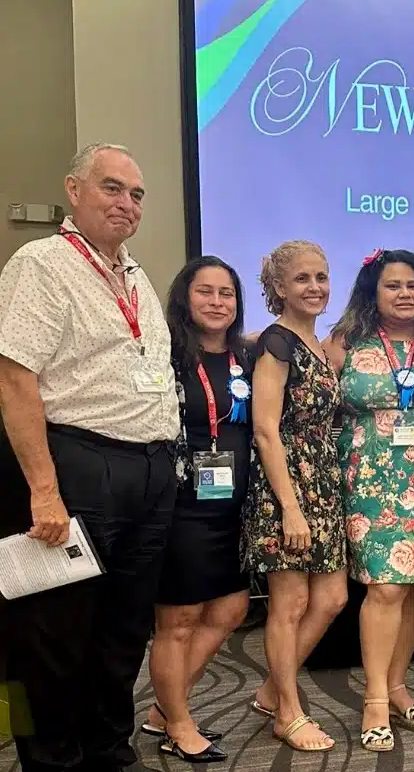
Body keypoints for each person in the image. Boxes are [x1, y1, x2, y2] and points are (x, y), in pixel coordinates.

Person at [0, 143, 179, 772]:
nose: (126, 204)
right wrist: (44, 491)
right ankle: (48, 761)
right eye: (112, 188)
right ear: (74, 190)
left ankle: (108, 749)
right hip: (78, 466)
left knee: (123, 632)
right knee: (50, 636)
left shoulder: (135, 274)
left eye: (136, 194)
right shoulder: (42, 263)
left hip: (150, 471)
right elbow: (15, 379)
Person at [325, 248, 414, 752]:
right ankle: (375, 699)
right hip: (370, 478)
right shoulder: (345, 342)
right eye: (393, 286)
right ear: (372, 293)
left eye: (413, 286)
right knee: (384, 588)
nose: (405, 294)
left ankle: (399, 684)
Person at [140, 257, 254, 762]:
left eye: (226, 293)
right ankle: (179, 723)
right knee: (179, 620)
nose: (216, 302)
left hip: (230, 503)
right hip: (182, 503)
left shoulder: (245, 359)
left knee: (232, 608)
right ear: (186, 298)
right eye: (205, 292)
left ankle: (163, 710)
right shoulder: (165, 355)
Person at [242, 241, 347, 752]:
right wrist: (289, 507)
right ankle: (287, 710)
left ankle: (268, 690)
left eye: (322, 277)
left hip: (324, 482)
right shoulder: (277, 342)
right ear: (280, 288)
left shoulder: (319, 343)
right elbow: (265, 429)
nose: (315, 287)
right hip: (287, 487)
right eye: (303, 279)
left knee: (332, 599)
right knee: (290, 604)